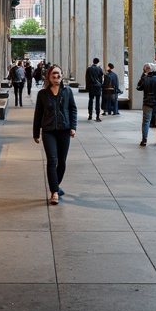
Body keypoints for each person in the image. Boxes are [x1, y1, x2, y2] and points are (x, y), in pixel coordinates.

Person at [32, 64, 77, 205]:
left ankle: (56, 186)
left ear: (62, 76)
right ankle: (54, 192)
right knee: (52, 160)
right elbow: (38, 114)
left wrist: (73, 127)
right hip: (48, 130)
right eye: (53, 75)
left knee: (62, 162)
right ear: (49, 77)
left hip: (64, 130)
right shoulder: (43, 94)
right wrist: (36, 133)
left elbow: (73, 109)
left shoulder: (67, 91)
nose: (56, 77)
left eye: (58, 74)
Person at [85, 57, 105, 121]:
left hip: (91, 87)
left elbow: (87, 78)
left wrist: (87, 87)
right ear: (98, 62)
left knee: (91, 100)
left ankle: (90, 114)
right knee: (97, 101)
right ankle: (97, 116)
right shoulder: (99, 69)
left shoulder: (89, 69)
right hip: (98, 87)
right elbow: (101, 76)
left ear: (93, 62)